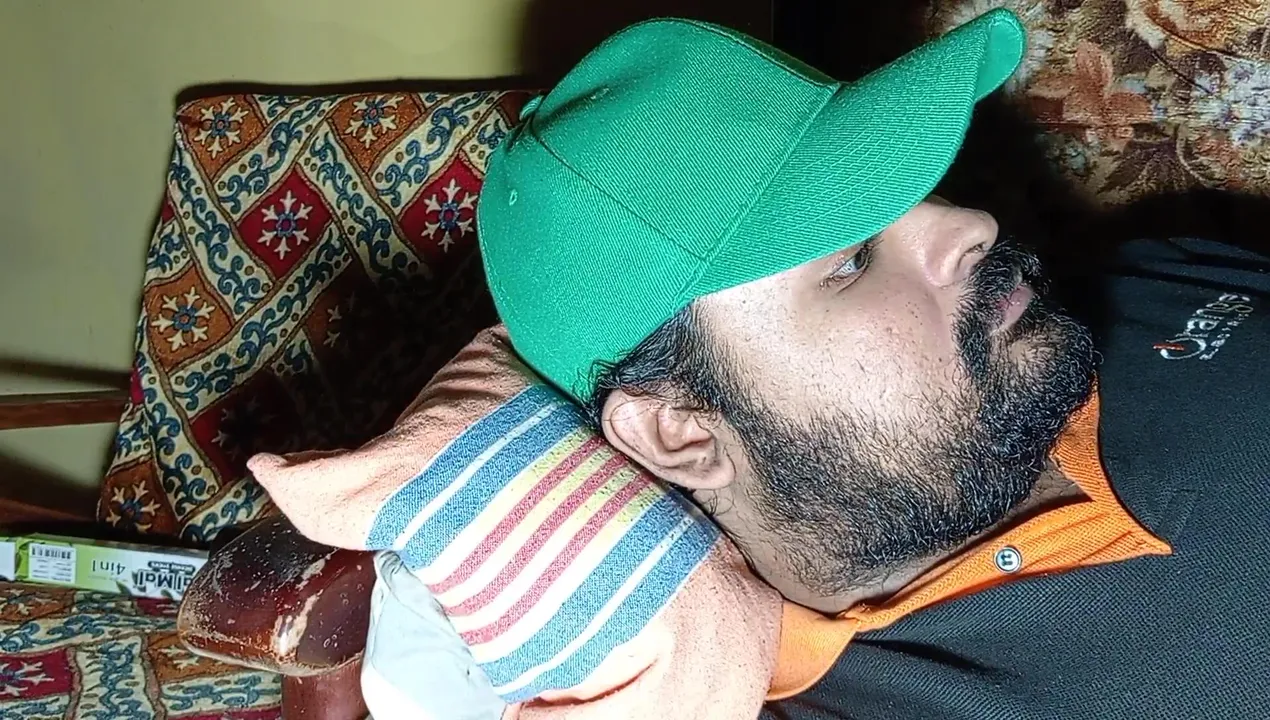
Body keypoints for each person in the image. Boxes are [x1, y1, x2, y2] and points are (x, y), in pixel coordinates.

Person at [366, 8, 1270, 719]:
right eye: (851, 260)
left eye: (914, 188)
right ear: (680, 433)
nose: (971, 226)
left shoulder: (1142, 281)